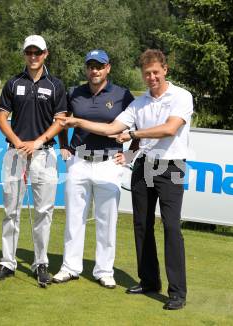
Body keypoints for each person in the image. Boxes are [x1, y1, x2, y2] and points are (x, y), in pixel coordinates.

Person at [58, 49, 192, 310]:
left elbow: (170, 129)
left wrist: (133, 133)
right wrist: (78, 122)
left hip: (172, 166)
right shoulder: (139, 103)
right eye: (147, 74)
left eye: (155, 72)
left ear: (165, 69)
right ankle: (149, 281)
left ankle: (177, 292)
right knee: (141, 225)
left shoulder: (181, 96)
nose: (151, 77)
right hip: (144, 164)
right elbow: (110, 128)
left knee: (171, 226)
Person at [0, 35, 67, 287]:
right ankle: (7, 261)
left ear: (46, 54)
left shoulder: (56, 85)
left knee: (43, 211)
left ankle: (40, 262)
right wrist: (18, 141)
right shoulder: (13, 83)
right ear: (24, 54)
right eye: (29, 52)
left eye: (38, 52)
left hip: (44, 154)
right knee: (11, 209)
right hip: (15, 153)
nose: (33, 57)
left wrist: (38, 142)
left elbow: (60, 121)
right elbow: (2, 118)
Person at [52, 50, 134, 288]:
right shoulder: (75, 92)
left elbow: (137, 123)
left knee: (106, 220)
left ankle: (104, 270)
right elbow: (62, 120)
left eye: (99, 66)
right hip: (79, 161)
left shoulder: (122, 94)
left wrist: (131, 152)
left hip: (108, 163)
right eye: (90, 66)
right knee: (74, 219)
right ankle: (70, 267)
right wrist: (64, 145)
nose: (94, 71)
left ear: (108, 68)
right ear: (86, 68)